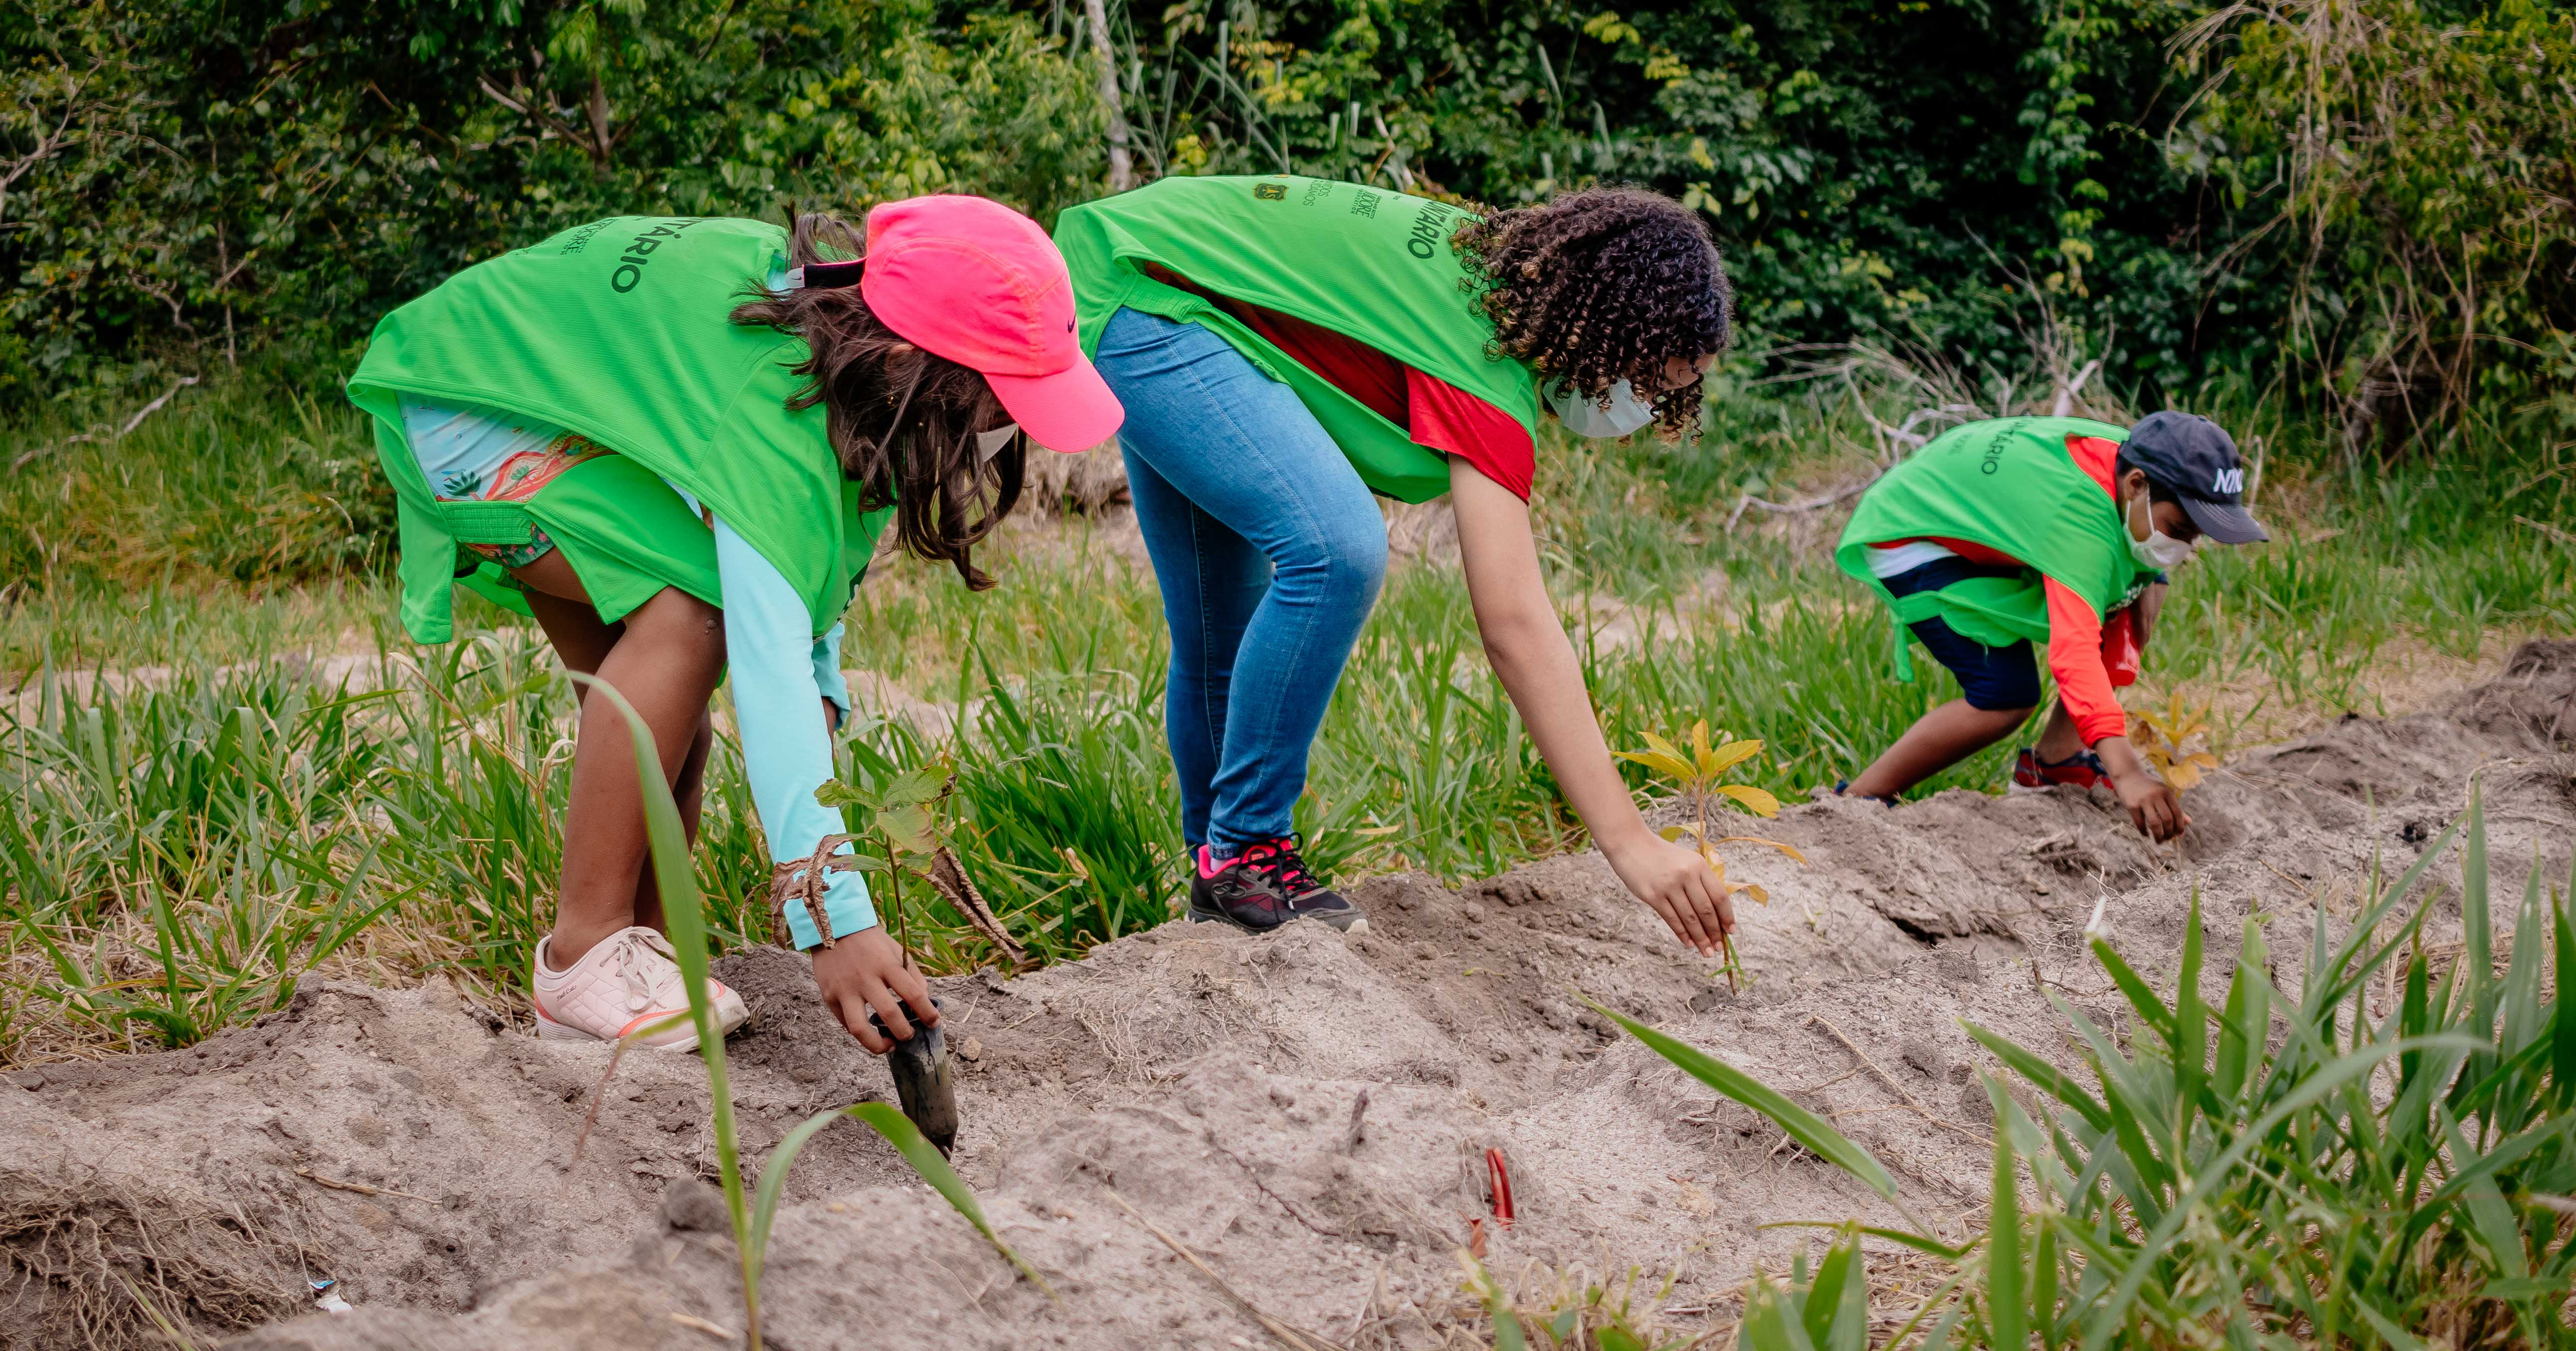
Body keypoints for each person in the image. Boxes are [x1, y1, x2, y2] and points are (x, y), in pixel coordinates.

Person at [348, 199, 1121, 1052]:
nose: (1001, 428)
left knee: (663, 692)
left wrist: (822, 684)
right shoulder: (772, 410)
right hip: (471, 406)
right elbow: (766, 654)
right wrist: (833, 917)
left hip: (518, 383)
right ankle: (584, 952)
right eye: (998, 402)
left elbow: (813, 559)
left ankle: (641, 962)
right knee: (696, 618)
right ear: (910, 362)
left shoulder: (847, 356)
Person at [1054, 175, 1737, 955]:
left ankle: (1221, 878)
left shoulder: (1488, 275)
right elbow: (1513, 622)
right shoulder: (1479, 361)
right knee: (1337, 550)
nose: (1641, 410)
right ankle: (1245, 852)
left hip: (1132, 275)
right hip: (1148, 296)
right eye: (1649, 383)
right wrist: (1630, 841)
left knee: (1220, 627)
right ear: (1607, 329)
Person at [1832, 408, 2268, 839]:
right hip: (1912, 530)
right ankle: (1858, 802)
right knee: (2004, 694)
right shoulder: (2078, 520)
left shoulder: (2132, 466)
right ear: (2136, 485)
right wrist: (2127, 772)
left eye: (2196, 536)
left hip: (1980, 510)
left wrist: (2142, 585)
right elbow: (2074, 653)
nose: (2186, 547)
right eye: (2179, 528)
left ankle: (2055, 763)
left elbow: (2133, 568)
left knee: (2145, 588)